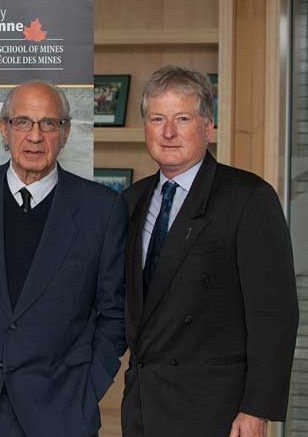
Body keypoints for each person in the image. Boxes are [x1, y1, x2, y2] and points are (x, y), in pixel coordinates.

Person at [0, 80, 128, 437]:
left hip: (60, 411)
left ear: (66, 132)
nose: (35, 136)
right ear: (4, 130)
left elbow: (115, 313)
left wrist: (85, 390)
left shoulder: (101, 209)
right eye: (23, 122)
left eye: (49, 124)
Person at [121, 65, 299, 437]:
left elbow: (274, 314)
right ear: (146, 128)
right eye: (157, 118)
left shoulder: (248, 197)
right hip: (143, 405)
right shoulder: (131, 201)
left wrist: (256, 410)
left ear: (208, 126)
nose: (168, 132)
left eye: (182, 118)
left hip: (216, 410)